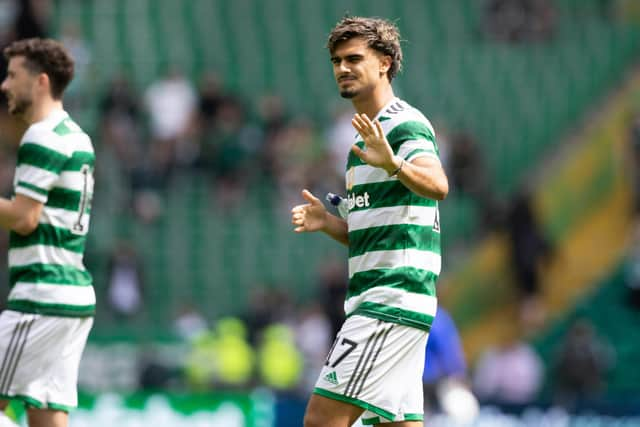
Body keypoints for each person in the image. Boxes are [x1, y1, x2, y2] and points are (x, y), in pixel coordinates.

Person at [291, 16, 449, 427]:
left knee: (322, 420)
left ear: (384, 62)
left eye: (354, 58)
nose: (342, 68)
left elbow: (438, 183)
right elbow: (374, 237)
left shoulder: (404, 124)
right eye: (336, 60)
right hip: (392, 302)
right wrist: (328, 223)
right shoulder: (360, 145)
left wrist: (395, 162)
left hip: (389, 301)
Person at [0, 38, 95, 427]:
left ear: (40, 81)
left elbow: (25, 217)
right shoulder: (76, 135)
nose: (4, 84)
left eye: (11, 75)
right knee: (46, 416)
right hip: (71, 297)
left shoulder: (42, 135)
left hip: (41, 294)